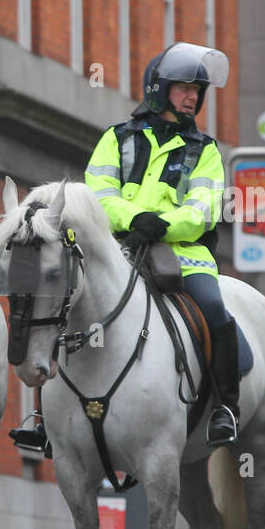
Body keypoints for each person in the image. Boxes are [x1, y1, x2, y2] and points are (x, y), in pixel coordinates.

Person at [82, 42, 237, 446]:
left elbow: (203, 210)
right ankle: (47, 416)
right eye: (184, 87)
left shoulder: (205, 151)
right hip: (120, 247)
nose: (193, 97)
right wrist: (134, 220)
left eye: (197, 90)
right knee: (67, 301)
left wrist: (160, 227)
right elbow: (97, 194)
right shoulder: (116, 138)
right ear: (159, 89)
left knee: (216, 311)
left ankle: (226, 408)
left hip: (185, 257)